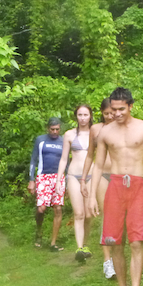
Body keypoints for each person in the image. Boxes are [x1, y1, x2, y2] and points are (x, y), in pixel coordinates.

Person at [88, 87, 143, 286]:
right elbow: (98, 165)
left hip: (138, 186)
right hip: (115, 186)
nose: (117, 114)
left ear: (131, 106)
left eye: (122, 109)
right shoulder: (106, 133)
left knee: (137, 241)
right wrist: (91, 195)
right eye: (114, 110)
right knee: (114, 240)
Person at [81, 98, 116, 278]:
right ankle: (107, 261)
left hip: (118, 175)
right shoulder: (96, 129)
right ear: (101, 114)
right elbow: (89, 156)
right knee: (107, 216)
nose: (110, 116)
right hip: (101, 174)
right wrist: (83, 179)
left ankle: (117, 256)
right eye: (106, 113)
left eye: (112, 113)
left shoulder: (121, 126)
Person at [55, 105, 94, 261]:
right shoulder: (69, 135)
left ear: (90, 116)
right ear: (76, 116)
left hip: (91, 176)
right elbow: (64, 158)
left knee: (89, 214)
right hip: (73, 175)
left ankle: (85, 244)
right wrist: (59, 179)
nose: (83, 118)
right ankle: (79, 248)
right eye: (80, 114)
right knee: (79, 213)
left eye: (85, 114)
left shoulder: (96, 132)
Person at [28, 117, 65, 252]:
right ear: (48, 128)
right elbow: (33, 160)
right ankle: (39, 232)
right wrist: (31, 179)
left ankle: (53, 243)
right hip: (43, 176)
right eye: (52, 129)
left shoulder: (63, 141)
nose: (55, 132)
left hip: (58, 177)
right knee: (41, 209)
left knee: (58, 208)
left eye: (57, 129)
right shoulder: (41, 140)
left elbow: (66, 160)